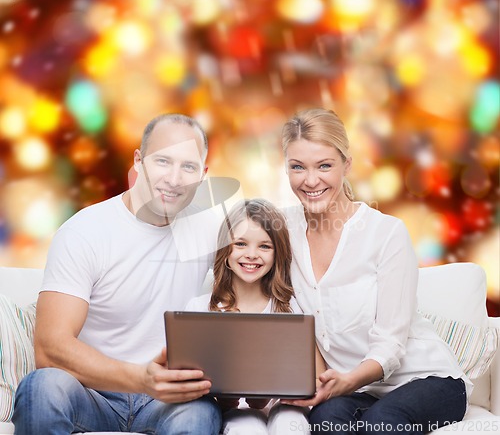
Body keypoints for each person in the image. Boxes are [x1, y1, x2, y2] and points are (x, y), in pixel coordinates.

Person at [13, 114, 222, 435]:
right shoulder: (85, 231)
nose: (175, 178)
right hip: (93, 392)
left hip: (167, 401)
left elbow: (271, 269)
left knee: (199, 413)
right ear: (139, 161)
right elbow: (49, 348)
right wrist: (141, 379)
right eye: (163, 161)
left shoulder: (211, 229)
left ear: (203, 174)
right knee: (43, 386)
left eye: (189, 167)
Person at [280, 108, 470, 434]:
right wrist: (321, 383)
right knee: (325, 422)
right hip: (356, 390)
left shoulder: (385, 233)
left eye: (324, 165)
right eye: (298, 167)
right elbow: (295, 319)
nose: (310, 180)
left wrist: (347, 381)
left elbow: (390, 345)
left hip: (426, 379)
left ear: (347, 165)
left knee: (381, 424)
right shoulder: (282, 230)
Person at [185, 198, 313, 435]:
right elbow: (188, 378)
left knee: (291, 425)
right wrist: (222, 398)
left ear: (277, 254)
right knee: (247, 427)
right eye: (241, 244)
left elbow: (305, 375)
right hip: (230, 410)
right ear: (226, 250)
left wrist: (271, 394)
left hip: (281, 406)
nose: (252, 255)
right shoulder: (200, 310)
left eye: (265, 246)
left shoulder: (290, 309)